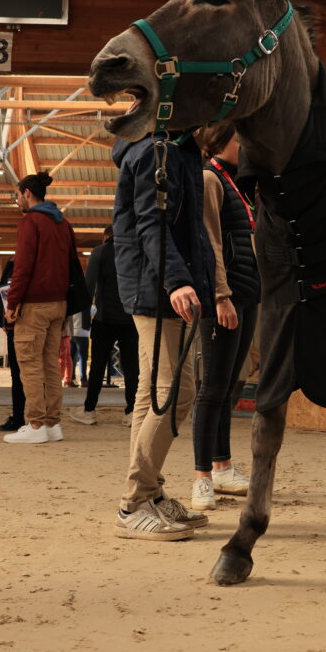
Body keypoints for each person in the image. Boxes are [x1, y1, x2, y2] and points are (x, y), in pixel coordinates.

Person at [112, 131, 214, 541]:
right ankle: (133, 502)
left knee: (150, 392)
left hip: (155, 285)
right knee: (176, 392)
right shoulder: (159, 151)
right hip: (155, 288)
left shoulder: (173, 150)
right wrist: (176, 280)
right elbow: (150, 223)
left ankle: (149, 493)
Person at [191, 126, 260, 511]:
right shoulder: (209, 179)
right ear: (220, 144)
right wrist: (220, 294)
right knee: (213, 387)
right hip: (226, 296)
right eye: (240, 141)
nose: (245, 147)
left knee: (231, 385)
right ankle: (202, 476)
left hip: (247, 294)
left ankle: (222, 465)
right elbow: (211, 242)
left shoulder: (236, 184)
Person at [3, 171, 75, 444]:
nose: (17, 200)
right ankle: (53, 424)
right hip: (59, 303)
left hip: (34, 305)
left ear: (27, 194)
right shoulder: (62, 223)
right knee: (50, 365)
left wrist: (13, 302)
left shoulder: (30, 222)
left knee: (29, 363)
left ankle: (35, 425)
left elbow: (22, 267)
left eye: (18, 195)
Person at [70, 226, 139, 427]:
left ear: (106, 237)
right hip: (130, 319)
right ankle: (132, 411)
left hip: (104, 319)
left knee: (98, 367)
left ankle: (89, 410)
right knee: (132, 367)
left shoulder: (100, 252)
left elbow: (88, 286)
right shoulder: (135, 251)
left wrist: (84, 322)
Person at [0, 258, 25, 433]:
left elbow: (5, 291)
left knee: (21, 374)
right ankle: (42, 418)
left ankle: (21, 417)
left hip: (19, 325)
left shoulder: (16, 263)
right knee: (28, 373)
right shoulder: (13, 262)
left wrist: (3, 320)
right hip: (16, 326)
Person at [71, 310, 90, 387]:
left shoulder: (73, 306)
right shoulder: (87, 307)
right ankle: (83, 380)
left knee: (72, 358)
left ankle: (71, 379)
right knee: (83, 358)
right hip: (83, 334)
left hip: (72, 333)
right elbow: (94, 312)